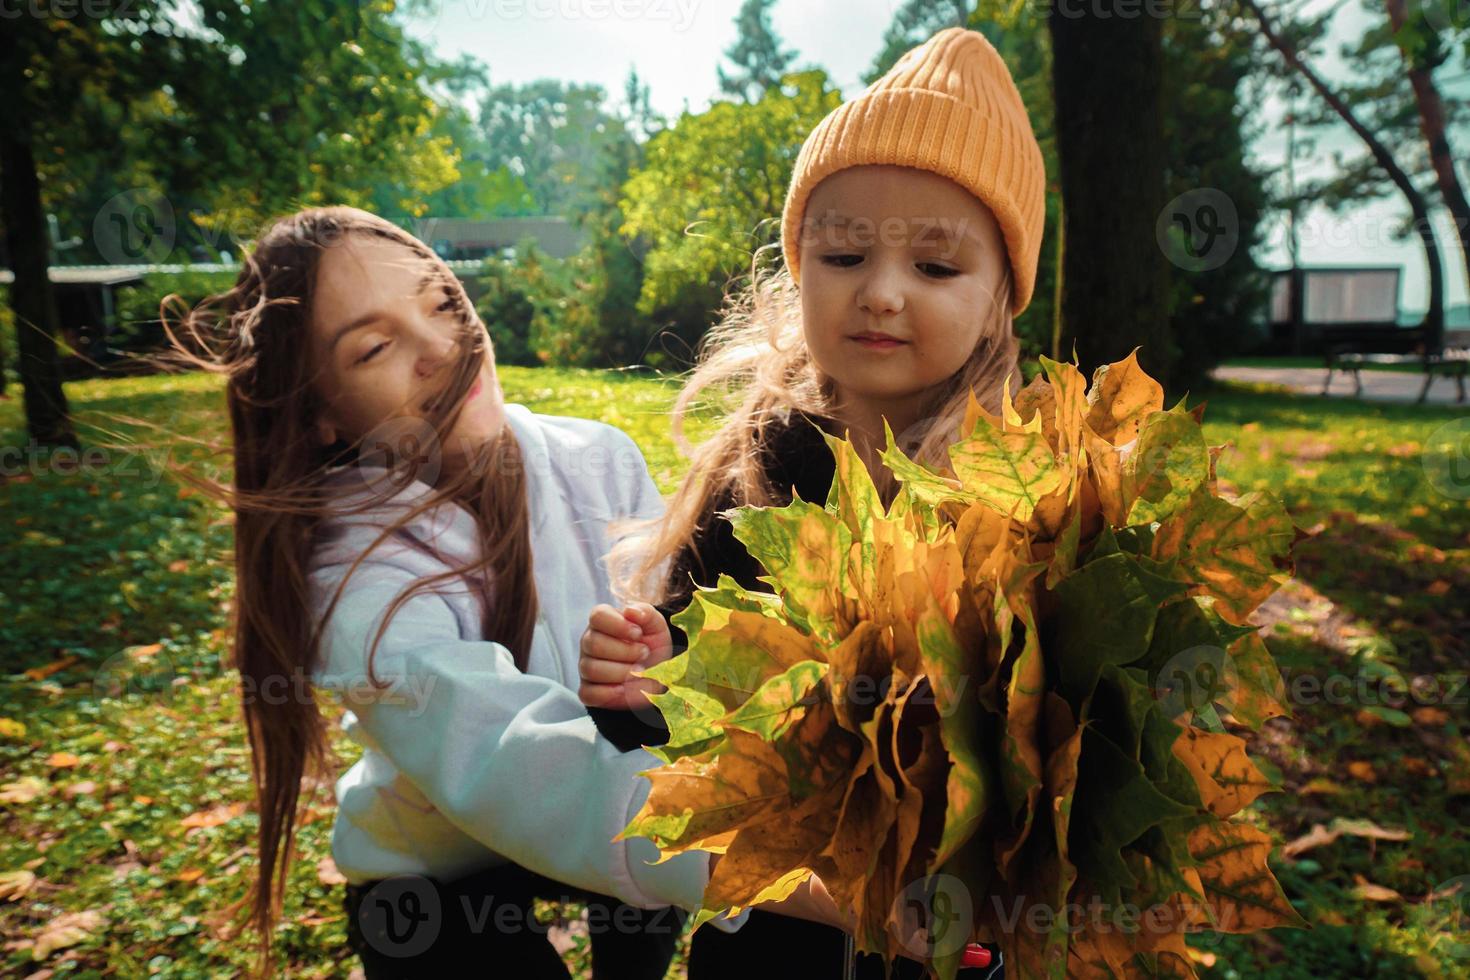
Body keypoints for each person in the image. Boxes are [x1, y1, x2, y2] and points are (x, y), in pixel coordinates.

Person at [162, 206, 854, 978]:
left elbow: (669, 671)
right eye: (376, 346)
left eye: (442, 303)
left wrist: (660, 677)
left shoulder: (597, 457)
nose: (439, 349)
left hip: (611, 800)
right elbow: (508, 759)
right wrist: (783, 861)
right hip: (439, 859)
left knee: (645, 887)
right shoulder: (351, 578)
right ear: (321, 413)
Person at [580, 25, 1046, 980]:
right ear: (798, 268)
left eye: (935, 266)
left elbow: (1062, 740)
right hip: (770, 938)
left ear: (1001, 297)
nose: (880, 293)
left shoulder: (1031, 493)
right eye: (843, 257)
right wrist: (642, 681)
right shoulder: (759, 471)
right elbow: (689, 699)